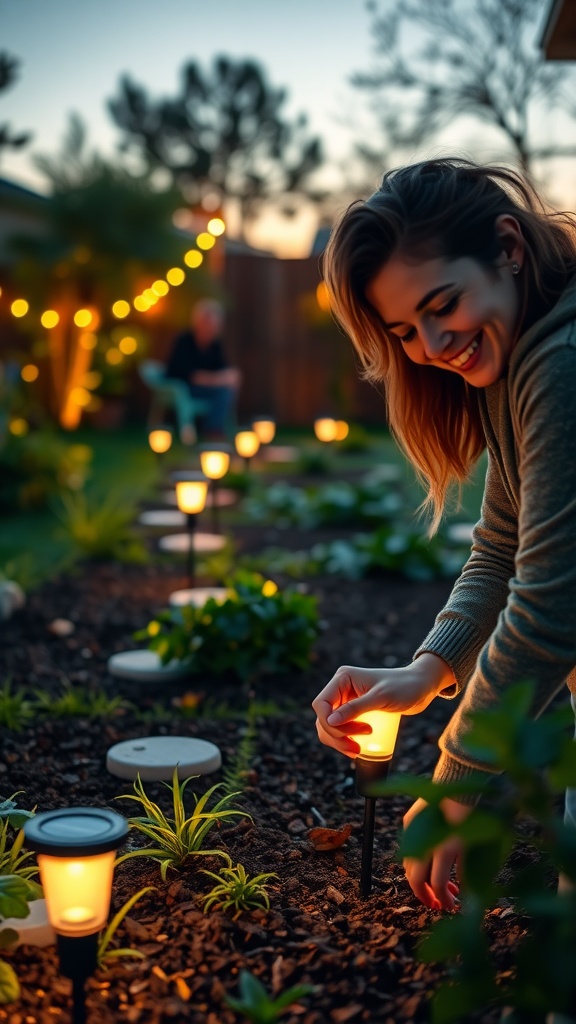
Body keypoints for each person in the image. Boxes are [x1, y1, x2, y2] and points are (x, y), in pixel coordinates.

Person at [312, 157, 576, 915]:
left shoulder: (559, 366)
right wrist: (425, 673)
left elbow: (550, 612)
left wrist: (452, 785)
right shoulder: (522, 357)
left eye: (443, 304)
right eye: (404, 330)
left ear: (508, 248)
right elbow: (500, 549)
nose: (430, 345)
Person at [165, 298, 240, 438]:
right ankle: (213, 432)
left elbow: (223, 368)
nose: (209, 326)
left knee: (226, 390)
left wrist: (230, 376)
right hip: (181, 388)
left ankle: (214, 430)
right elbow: (188, 374)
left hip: (206, 388)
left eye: (213, 323)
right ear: (197, 321)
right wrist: (216, 379)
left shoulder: (215, 345)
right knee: (223, 391)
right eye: (206, 321)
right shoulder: (184, 341)